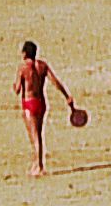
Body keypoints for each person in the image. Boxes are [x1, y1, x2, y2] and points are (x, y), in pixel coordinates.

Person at [16, 41, 79, 177]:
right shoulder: (42, 66)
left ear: (25, 53)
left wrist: (14, 86)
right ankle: (37, 163)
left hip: (29, 103)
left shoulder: (23, 68)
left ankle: (39, 166)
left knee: (34, 136)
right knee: (39, 134)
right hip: (41, 102)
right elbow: (55, 82)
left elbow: (17, 89)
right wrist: (67, 96)